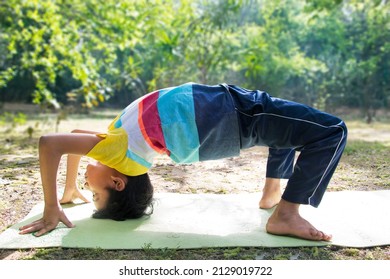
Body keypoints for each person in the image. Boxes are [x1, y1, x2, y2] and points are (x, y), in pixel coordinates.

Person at [19, 82, 347, 241]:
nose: (90, 188)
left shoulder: (116, 148)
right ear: (117, 182)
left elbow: (65, 138)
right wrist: (55, 201)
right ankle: (286, 214)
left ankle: (273, 194)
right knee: (332, 130)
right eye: (95, 192)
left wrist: (65, 191)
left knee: (286, 132)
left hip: (223, 117)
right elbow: (52, 144)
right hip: (227, 114)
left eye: (91, 192)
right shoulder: (117, 155)